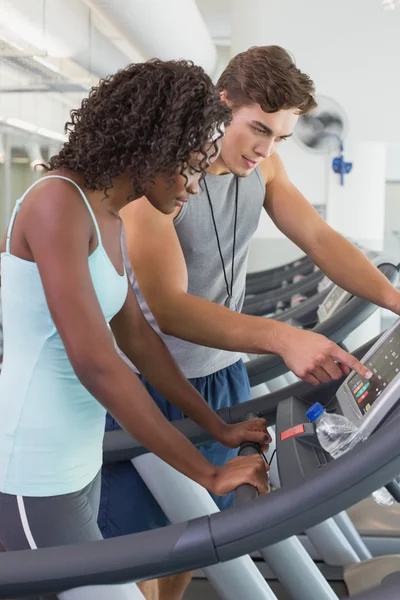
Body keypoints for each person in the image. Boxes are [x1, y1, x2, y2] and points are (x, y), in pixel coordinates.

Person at [101, 46, 400, 600]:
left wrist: (394, 298)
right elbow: (168, 306)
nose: (265, 148)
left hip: (224, 377)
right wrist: (283, 337)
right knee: (141, 546)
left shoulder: (266, 167)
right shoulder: (163, 176)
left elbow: (318, 239)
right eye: (258, 128)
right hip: (150, 381)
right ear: (222, 105)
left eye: (280, 136)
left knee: (200, 536)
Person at [0, 59, 271, 600]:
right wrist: (207, 473)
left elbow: (139, 341)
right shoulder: (57, 203)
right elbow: (98, 362)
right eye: (190, 166)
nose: (195, 185)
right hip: (32, 468)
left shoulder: (111, 218)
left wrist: (217, 428)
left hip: (78, 458)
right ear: (153, 146)